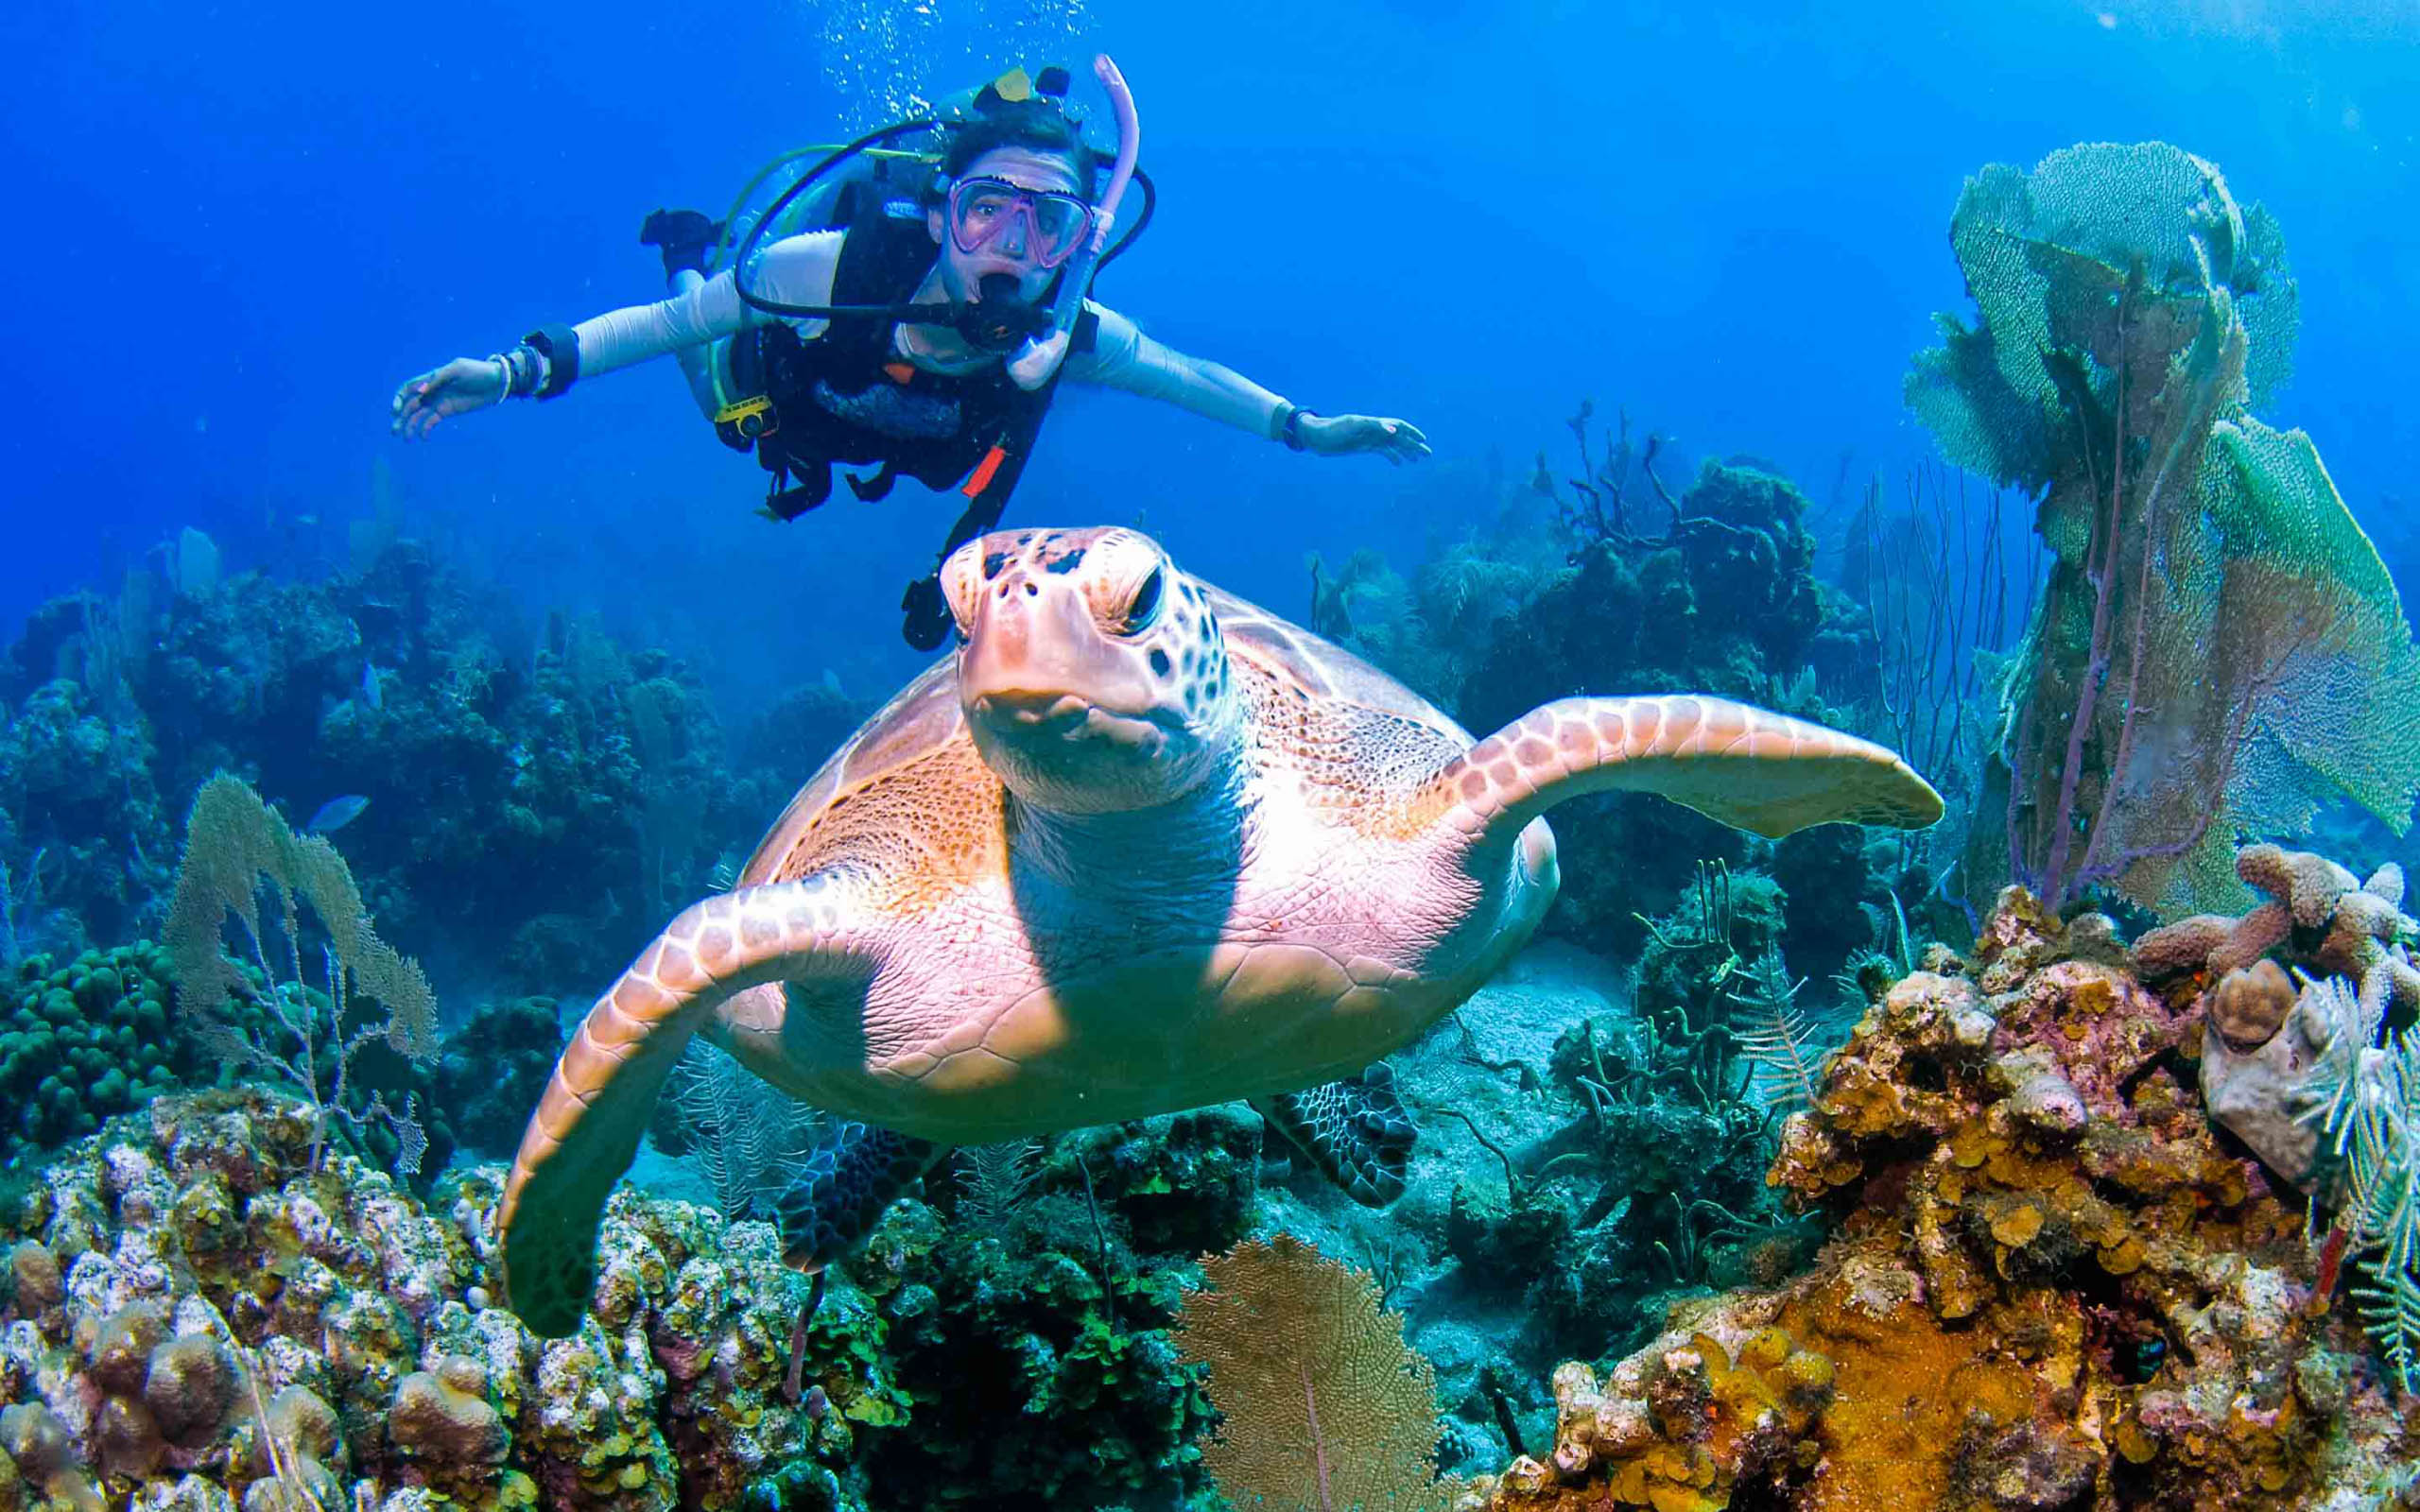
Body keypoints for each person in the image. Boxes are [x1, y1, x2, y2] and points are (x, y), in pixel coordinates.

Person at [389, 62, 1428, 648]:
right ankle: (689, 246)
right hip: (793, 403)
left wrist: (1309, 429)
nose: (1008, 253)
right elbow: (662, 330)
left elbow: (1192, 380)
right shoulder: (831, 269)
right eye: (986, 211)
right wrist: (512, 370)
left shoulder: (1066, 337)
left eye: (1045, 224)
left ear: (1076, 242)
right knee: (715, 383)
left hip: (906, 445)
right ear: (940, 212)